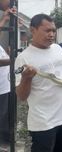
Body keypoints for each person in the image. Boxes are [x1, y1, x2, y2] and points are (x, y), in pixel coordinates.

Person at [15, 14, 62, 152]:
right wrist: (26, 78)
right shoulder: (23, 59)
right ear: (33, 30)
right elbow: (22, 96)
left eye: (53, 31)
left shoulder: (58, 49)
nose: (51, 34)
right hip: (43, 123)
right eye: (47, 30)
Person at [0, 0, 16, 150]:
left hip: (6, 85)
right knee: (2, 115)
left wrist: (5, 18)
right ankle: (4, 143)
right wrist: (13, 61)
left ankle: (6, 140)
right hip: (1, 87)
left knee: (6, 115)